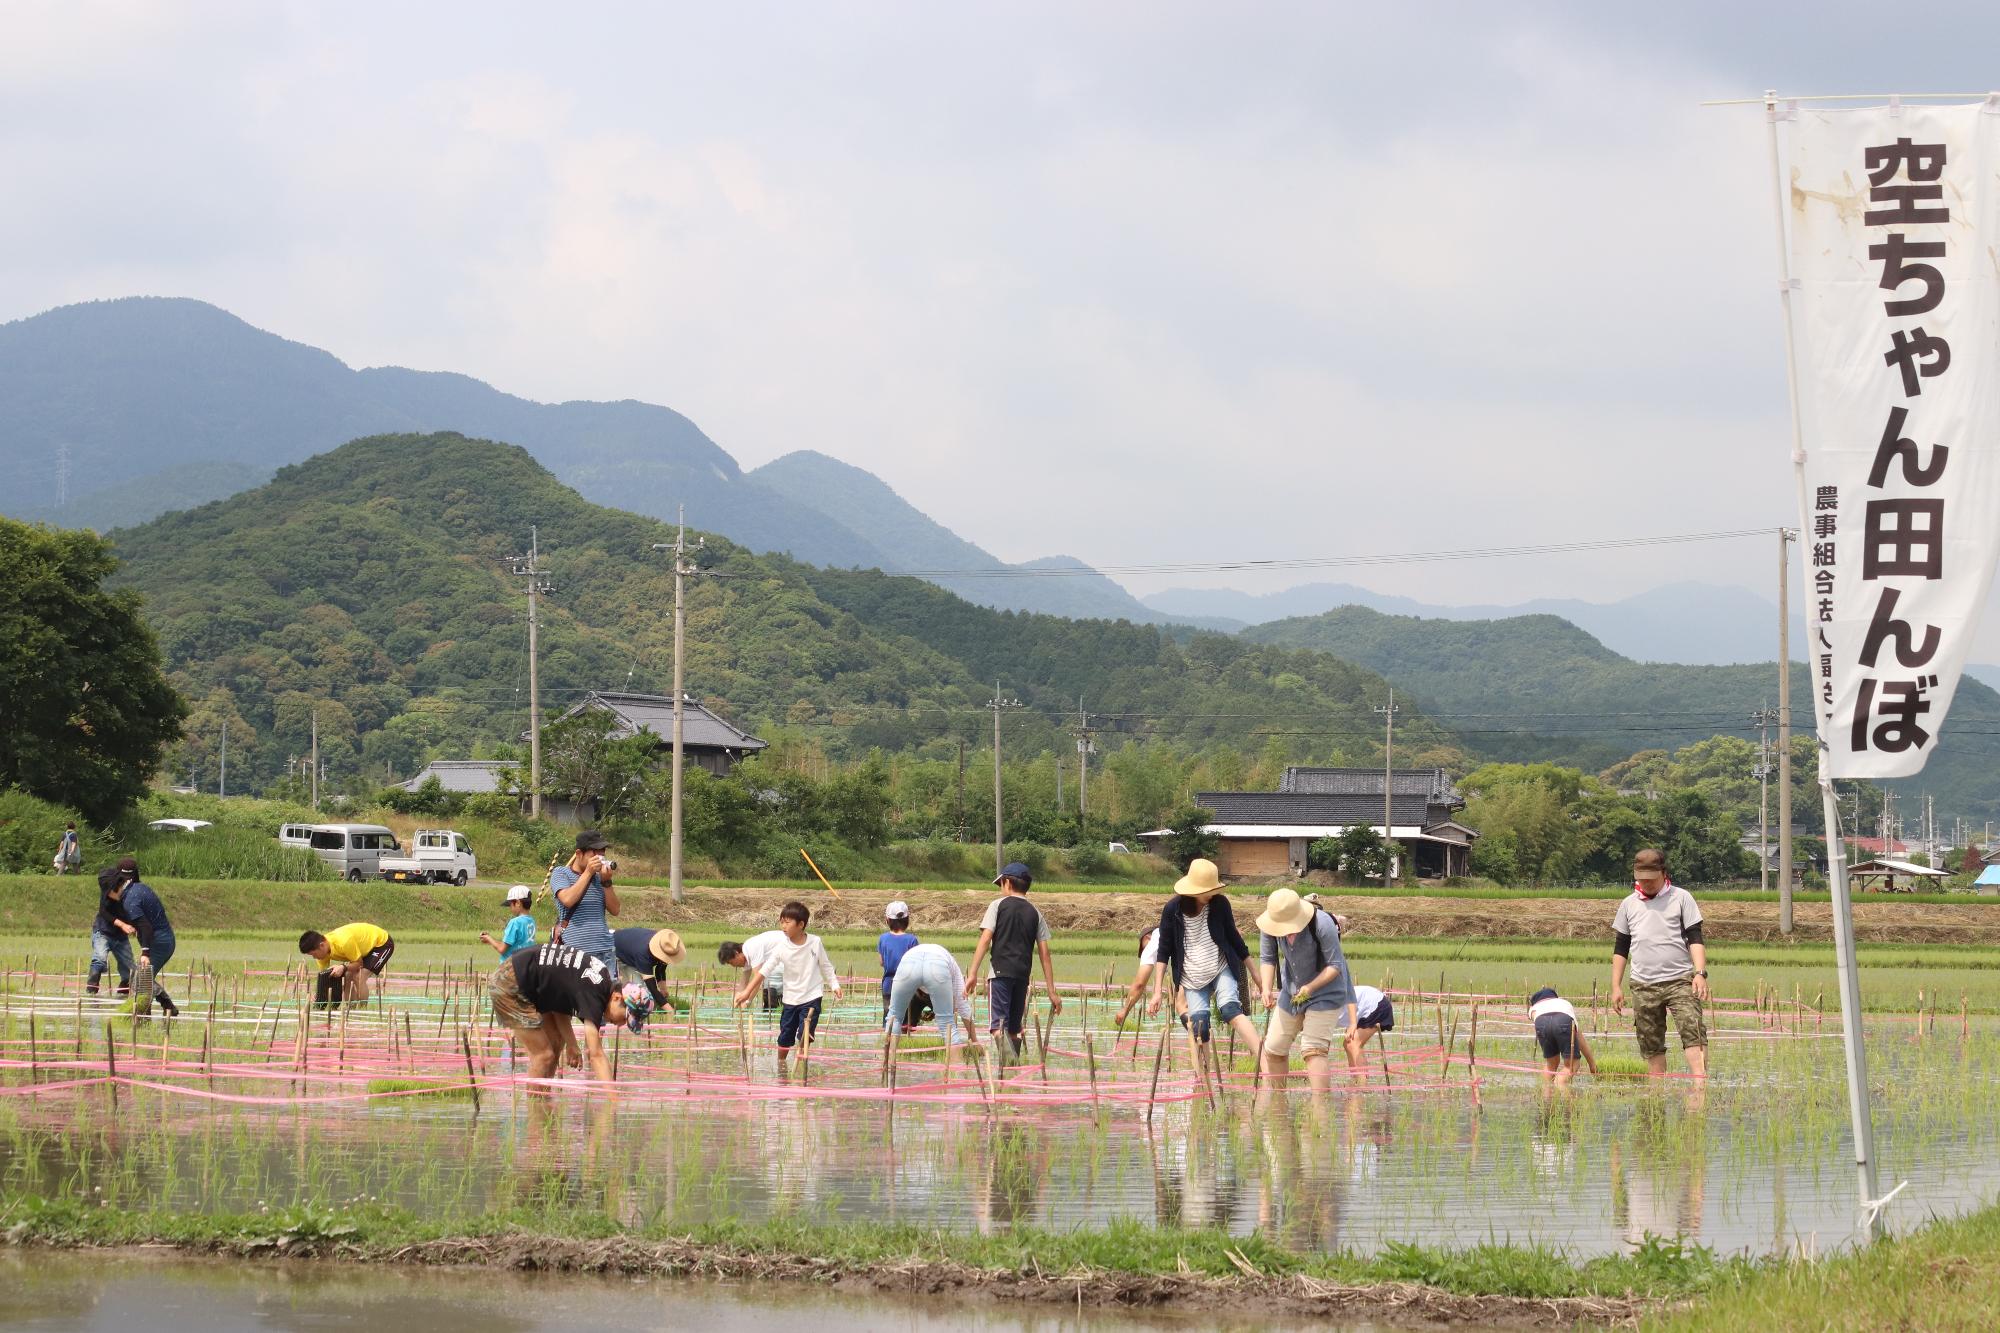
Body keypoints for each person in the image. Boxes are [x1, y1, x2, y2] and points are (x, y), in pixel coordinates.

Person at [487, 941, 652, 1084]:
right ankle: (536, 1110)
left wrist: (572, 1043)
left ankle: (545, 1102)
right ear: (617, 997)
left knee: (556, 1042)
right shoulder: (595, 993)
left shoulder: (599, 978)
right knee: (543, 1056)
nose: (621, 1024)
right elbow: (595, 1055)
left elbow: (560, 1002)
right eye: (625, 1017)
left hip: (531, 982)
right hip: (511, 983)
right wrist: (612, 1102)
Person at [1152, 858, 1262, 1067]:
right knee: (1200, 1027)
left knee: (1230, 1009)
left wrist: (1256, 977)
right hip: (1192, 976)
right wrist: (1157, 991)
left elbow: (1236, 941)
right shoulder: (1172, 910)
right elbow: (1163, 952)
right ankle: (1204, 1077)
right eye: (1207, 891)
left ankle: (1264, 1061)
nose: (1211, 894)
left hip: (1221, 967)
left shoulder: (1219, 904)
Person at [1611, 848, 1709, 1078]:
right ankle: (1657, 1094)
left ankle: (1700, 1084)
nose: (1646, 884)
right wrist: (1616, 986)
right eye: (1641, 879)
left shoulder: (1681, 898)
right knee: (1650, 1042)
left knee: (1692, 1029)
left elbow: (1695, 937)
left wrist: (1700, 972)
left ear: (1663, 873)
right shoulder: (1628, 904)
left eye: (1651, 879)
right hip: (1643, 984)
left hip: (1680, 981)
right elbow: (1621, 947)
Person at [1253, 887, 1354, 1093]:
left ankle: (1320, 1109)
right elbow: (1267, 958)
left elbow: (1335, 965)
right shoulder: (1270, 925)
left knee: (1313, 1050)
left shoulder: (1321, 923)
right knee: (1273, 1048)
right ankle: (1278, 1103)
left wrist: (1310, 987)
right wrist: (1266, 988)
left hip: (1326, 991)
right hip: (1292, 992)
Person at [963, 861, 1062, 1054]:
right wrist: (1052, 991)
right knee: (1014, 1030)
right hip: (1022, 976)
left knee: (998, 1028)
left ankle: (1009, 1066)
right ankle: (1012, 1075)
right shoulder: (1035, 912)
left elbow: (985, 939)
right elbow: (1045, 954)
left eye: (1000, 884)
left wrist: (973, 973)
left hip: (1000, 974)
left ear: (1007, 883)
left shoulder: (997, 906)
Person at [732, 901, 841, 1070]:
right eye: (781, 921)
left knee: (806, 1033)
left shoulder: (815, 942)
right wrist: (746, 992)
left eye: (787, 922)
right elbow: (764, 971)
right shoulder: (782, 946)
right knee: (785, 1037)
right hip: (791, 998)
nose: (783, 926)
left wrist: (834, 985)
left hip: (812, 996)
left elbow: (825, 965)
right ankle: (781, 1066)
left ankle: (801, 1066)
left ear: (801, 925)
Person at [102, 858, 177, 1017]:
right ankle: (150, 1011)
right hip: (157, 938)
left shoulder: (131, 900)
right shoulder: (136, 888)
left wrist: (145, 953)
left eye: (109, 894)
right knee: (140, 979)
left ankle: (167, 1007)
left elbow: (146, 927)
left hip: (160, 941)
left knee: (139, 979)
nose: (109, 897)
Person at [881, 941, 982, 1051]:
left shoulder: (914, 955)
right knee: (947, 1022)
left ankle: (887, 1063)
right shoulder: (952, 967)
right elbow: (963, 1006)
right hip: (938, 964)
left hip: (908, 962)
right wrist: (975, 1041)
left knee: (894, 1017)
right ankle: (955, 1066)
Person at [551, 830, 619, 973]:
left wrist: (606, 882)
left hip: (605, 949)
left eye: (602, 853)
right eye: (594, 854)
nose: (599, 858)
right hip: (576, 951)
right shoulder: (561, 873)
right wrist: (588, 873)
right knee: (578, 994)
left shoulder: (600, 878)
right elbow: (568, 900)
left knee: (607, 994)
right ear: (579, 854)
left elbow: (615, 910)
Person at [299, 922, 395, 1006]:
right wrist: (318, 993)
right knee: (348, 976)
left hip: (381, 943)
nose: (314, 957)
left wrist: (343, 967)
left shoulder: (343, 942)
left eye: (313, 954)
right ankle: (351, 1010)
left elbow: (359, 964)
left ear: (321, 945)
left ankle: (362, 1010)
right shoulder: (322, 953)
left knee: (358, 977)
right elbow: (324, 978)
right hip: (363, 949)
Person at [1530, 987, 1598, 1088]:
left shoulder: (1533, 1009)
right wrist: (1592, 1064)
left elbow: (1542, 1025)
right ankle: (1561, 1088)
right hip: (1563, 1019)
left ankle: (1547, 1096)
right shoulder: (1564, 1003)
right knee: (1572, 1065)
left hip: (1541, 1022)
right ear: (1555, 997)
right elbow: (1578, 1036)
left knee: (1550, 1064)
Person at [86, 864, 135, 997]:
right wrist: (123, 925)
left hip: (121, 937)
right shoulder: (106, 896)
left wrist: (134, 925)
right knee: (100, 958)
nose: (115, 894)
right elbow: (105, 913)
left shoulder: (129, 891)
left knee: (129, 968)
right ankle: (91, 991)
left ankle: (124, 994)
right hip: (103, 932)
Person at [878, 900, 924, 1031]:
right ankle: (903, 1046)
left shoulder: (883, 939)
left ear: (887, 920)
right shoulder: (912, 940)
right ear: (907, 920)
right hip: (907, 984)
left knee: (889, 1019)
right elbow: (917, 964)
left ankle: (888, 1046)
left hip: (888, 984)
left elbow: (881, 962)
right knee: (905, 1021)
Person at [612, 926, 687, 1007]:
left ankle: (631, 1006)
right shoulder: (644, 953)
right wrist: (669, 1010)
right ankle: (624, 1009)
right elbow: (652, 988)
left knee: (641, 993)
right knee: (641, 991)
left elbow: (660, 968)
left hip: (632, 951)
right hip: (613, 949)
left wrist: (663, 989)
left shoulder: (664, 945)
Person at [718, 929, 787, 1011]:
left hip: (791, 949)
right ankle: (776, 1008)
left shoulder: (751, 948)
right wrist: (736, 1000)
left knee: (769, 979)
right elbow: (744, 981)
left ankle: (773, 1009)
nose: (733, 966)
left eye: (731, 962)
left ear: (736, 953)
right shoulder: (746, 956)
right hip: (783, 957)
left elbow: (758, 979)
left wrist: (747, 1001)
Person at [1111, 926, 1162, 1028]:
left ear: (1147, 938)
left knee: (1182, 1007)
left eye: (1143, 947)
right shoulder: (1173, 925)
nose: (1144, 950)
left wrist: (1125, 1010)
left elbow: (1139, 984)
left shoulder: (1153, 942)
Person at [1342, 983, 1396, 1067]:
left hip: (1374, 1003)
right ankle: (1355, 1079)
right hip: (1361, 1010)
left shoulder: (1321, 1007)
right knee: (1348, 1044)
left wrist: (1353, 1024)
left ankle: (1361, 1080)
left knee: (1353, 1043)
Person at [480, 885, 537, 961]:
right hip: (525, 963)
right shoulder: (531, 921)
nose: (510, 908)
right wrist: (490, 940)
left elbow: (502, 949)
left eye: (510, 905)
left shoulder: (515, 922)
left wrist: (488, 938)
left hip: (511, 965)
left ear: (517, 903)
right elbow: (508, 945)